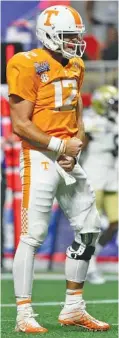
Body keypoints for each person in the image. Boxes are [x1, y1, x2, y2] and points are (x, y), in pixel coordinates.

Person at [7, 5, 110, 333]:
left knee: (90, 228)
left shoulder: (76, 63)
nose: (75, 42)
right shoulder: (25, 63)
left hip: (66, 158)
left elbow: (75, 107)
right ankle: (24, 313)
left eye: (76, 36)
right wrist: (58, 146)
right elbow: (20, 124)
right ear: (49, 35)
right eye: (68, 36)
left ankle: (73, 308)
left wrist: (74, 146)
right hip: (38, 157)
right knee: (32, 236)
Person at [82, 85, 118, 284]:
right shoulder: (90, 120)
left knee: (115, 221)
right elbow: (80, 145)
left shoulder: (114, 120)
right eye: (113, 104)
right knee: (93, 223)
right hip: (93, 173)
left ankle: (92, 256)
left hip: (112, 174)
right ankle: (90, 265)